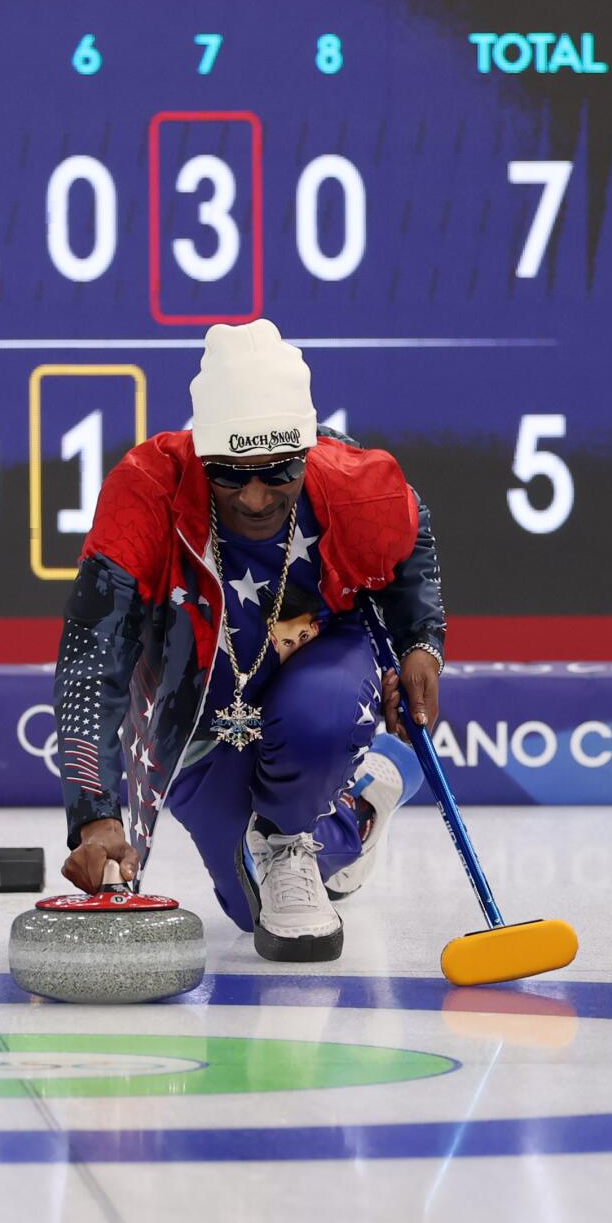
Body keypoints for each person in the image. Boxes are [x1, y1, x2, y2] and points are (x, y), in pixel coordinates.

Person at [56, 320, 448, 963]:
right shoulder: (144, 493)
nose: (257, 497)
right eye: (230, 476)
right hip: (196, 697)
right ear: (200, 452)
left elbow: (412, 550)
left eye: (278, 471)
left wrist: (421, 647)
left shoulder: (358, 484)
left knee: (314, 732)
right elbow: (92, 655)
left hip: (313, 648)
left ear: (308, 449)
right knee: (248, 908)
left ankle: (297, 827)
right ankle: (363, 803)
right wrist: (96, 812)